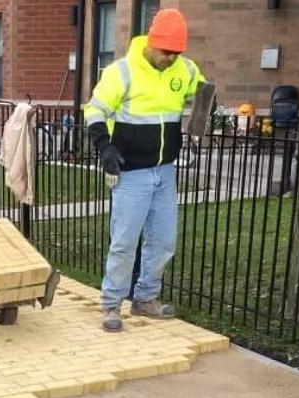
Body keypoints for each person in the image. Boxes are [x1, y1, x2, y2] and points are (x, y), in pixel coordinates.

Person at [84, 8, 205, 332]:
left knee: (164, 241)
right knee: (124, 242)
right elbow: (95, 110)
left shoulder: (186, 69)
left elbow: (203, 93)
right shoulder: (122, 72)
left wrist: (204, 109)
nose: (171, 58)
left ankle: (146, 299)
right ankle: (111, 304)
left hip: (165, 171)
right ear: (152, 43)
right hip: (132, 173)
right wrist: (104, 147)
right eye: (167, 51)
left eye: (177, 53)